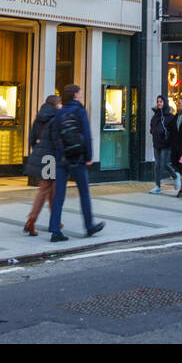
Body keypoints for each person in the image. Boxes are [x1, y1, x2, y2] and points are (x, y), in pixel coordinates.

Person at [47, 84, 105, 243]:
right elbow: (87, 135)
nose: (80, 96)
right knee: (84, 192)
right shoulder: (79, 111)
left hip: (62, 159)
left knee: (58, 195)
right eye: (79, 93)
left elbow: (54, 136)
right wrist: (89, 156)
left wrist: (60, 153)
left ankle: (55, 231)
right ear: (75, 95)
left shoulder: (59, 113)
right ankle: (89, 226)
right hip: (78, 158)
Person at [24, 94, 61, 235]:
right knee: (45, 189)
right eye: (60, 104)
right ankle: (31, 220)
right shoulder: (55, 117)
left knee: (51, 189)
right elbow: (56, 139)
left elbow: (32, 137)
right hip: (51, 156)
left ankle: (55, 219)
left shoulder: (40, 116)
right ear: (56, 105)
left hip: (41, 154)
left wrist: (37, 151)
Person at [149, 95, 177, 193]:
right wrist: (153, 131)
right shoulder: (155, 116)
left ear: (165, 103)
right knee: (157, 165)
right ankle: (157, 186)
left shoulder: (170, 117)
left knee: (164, 164)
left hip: (166, 144)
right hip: (156, 143)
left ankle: (175, 176)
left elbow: (174, 131)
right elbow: (151, 127)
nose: (159, 103)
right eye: (158, 101)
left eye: (161, 101)